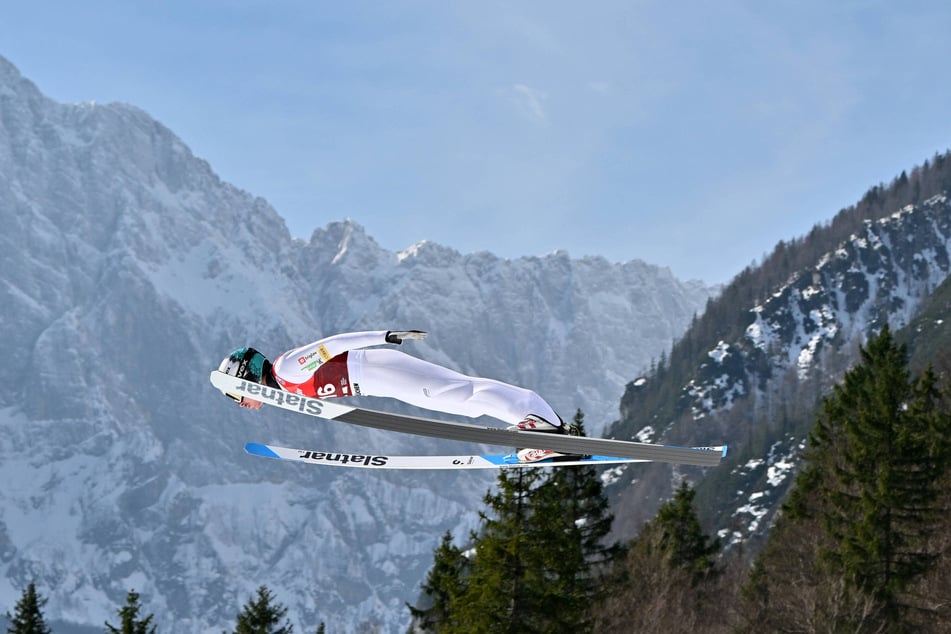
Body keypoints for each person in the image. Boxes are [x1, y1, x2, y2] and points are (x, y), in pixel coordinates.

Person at [216, 330, 577, 463]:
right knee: (463, 399)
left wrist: (383, 335)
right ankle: (544, 429)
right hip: (377, 379)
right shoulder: (285, 385)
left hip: (378, 369)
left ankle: (540, 425)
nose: (243, 405)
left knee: (461, 395)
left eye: (238, 396)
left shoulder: (286, 370)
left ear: (246, 378)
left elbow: (330, 345)